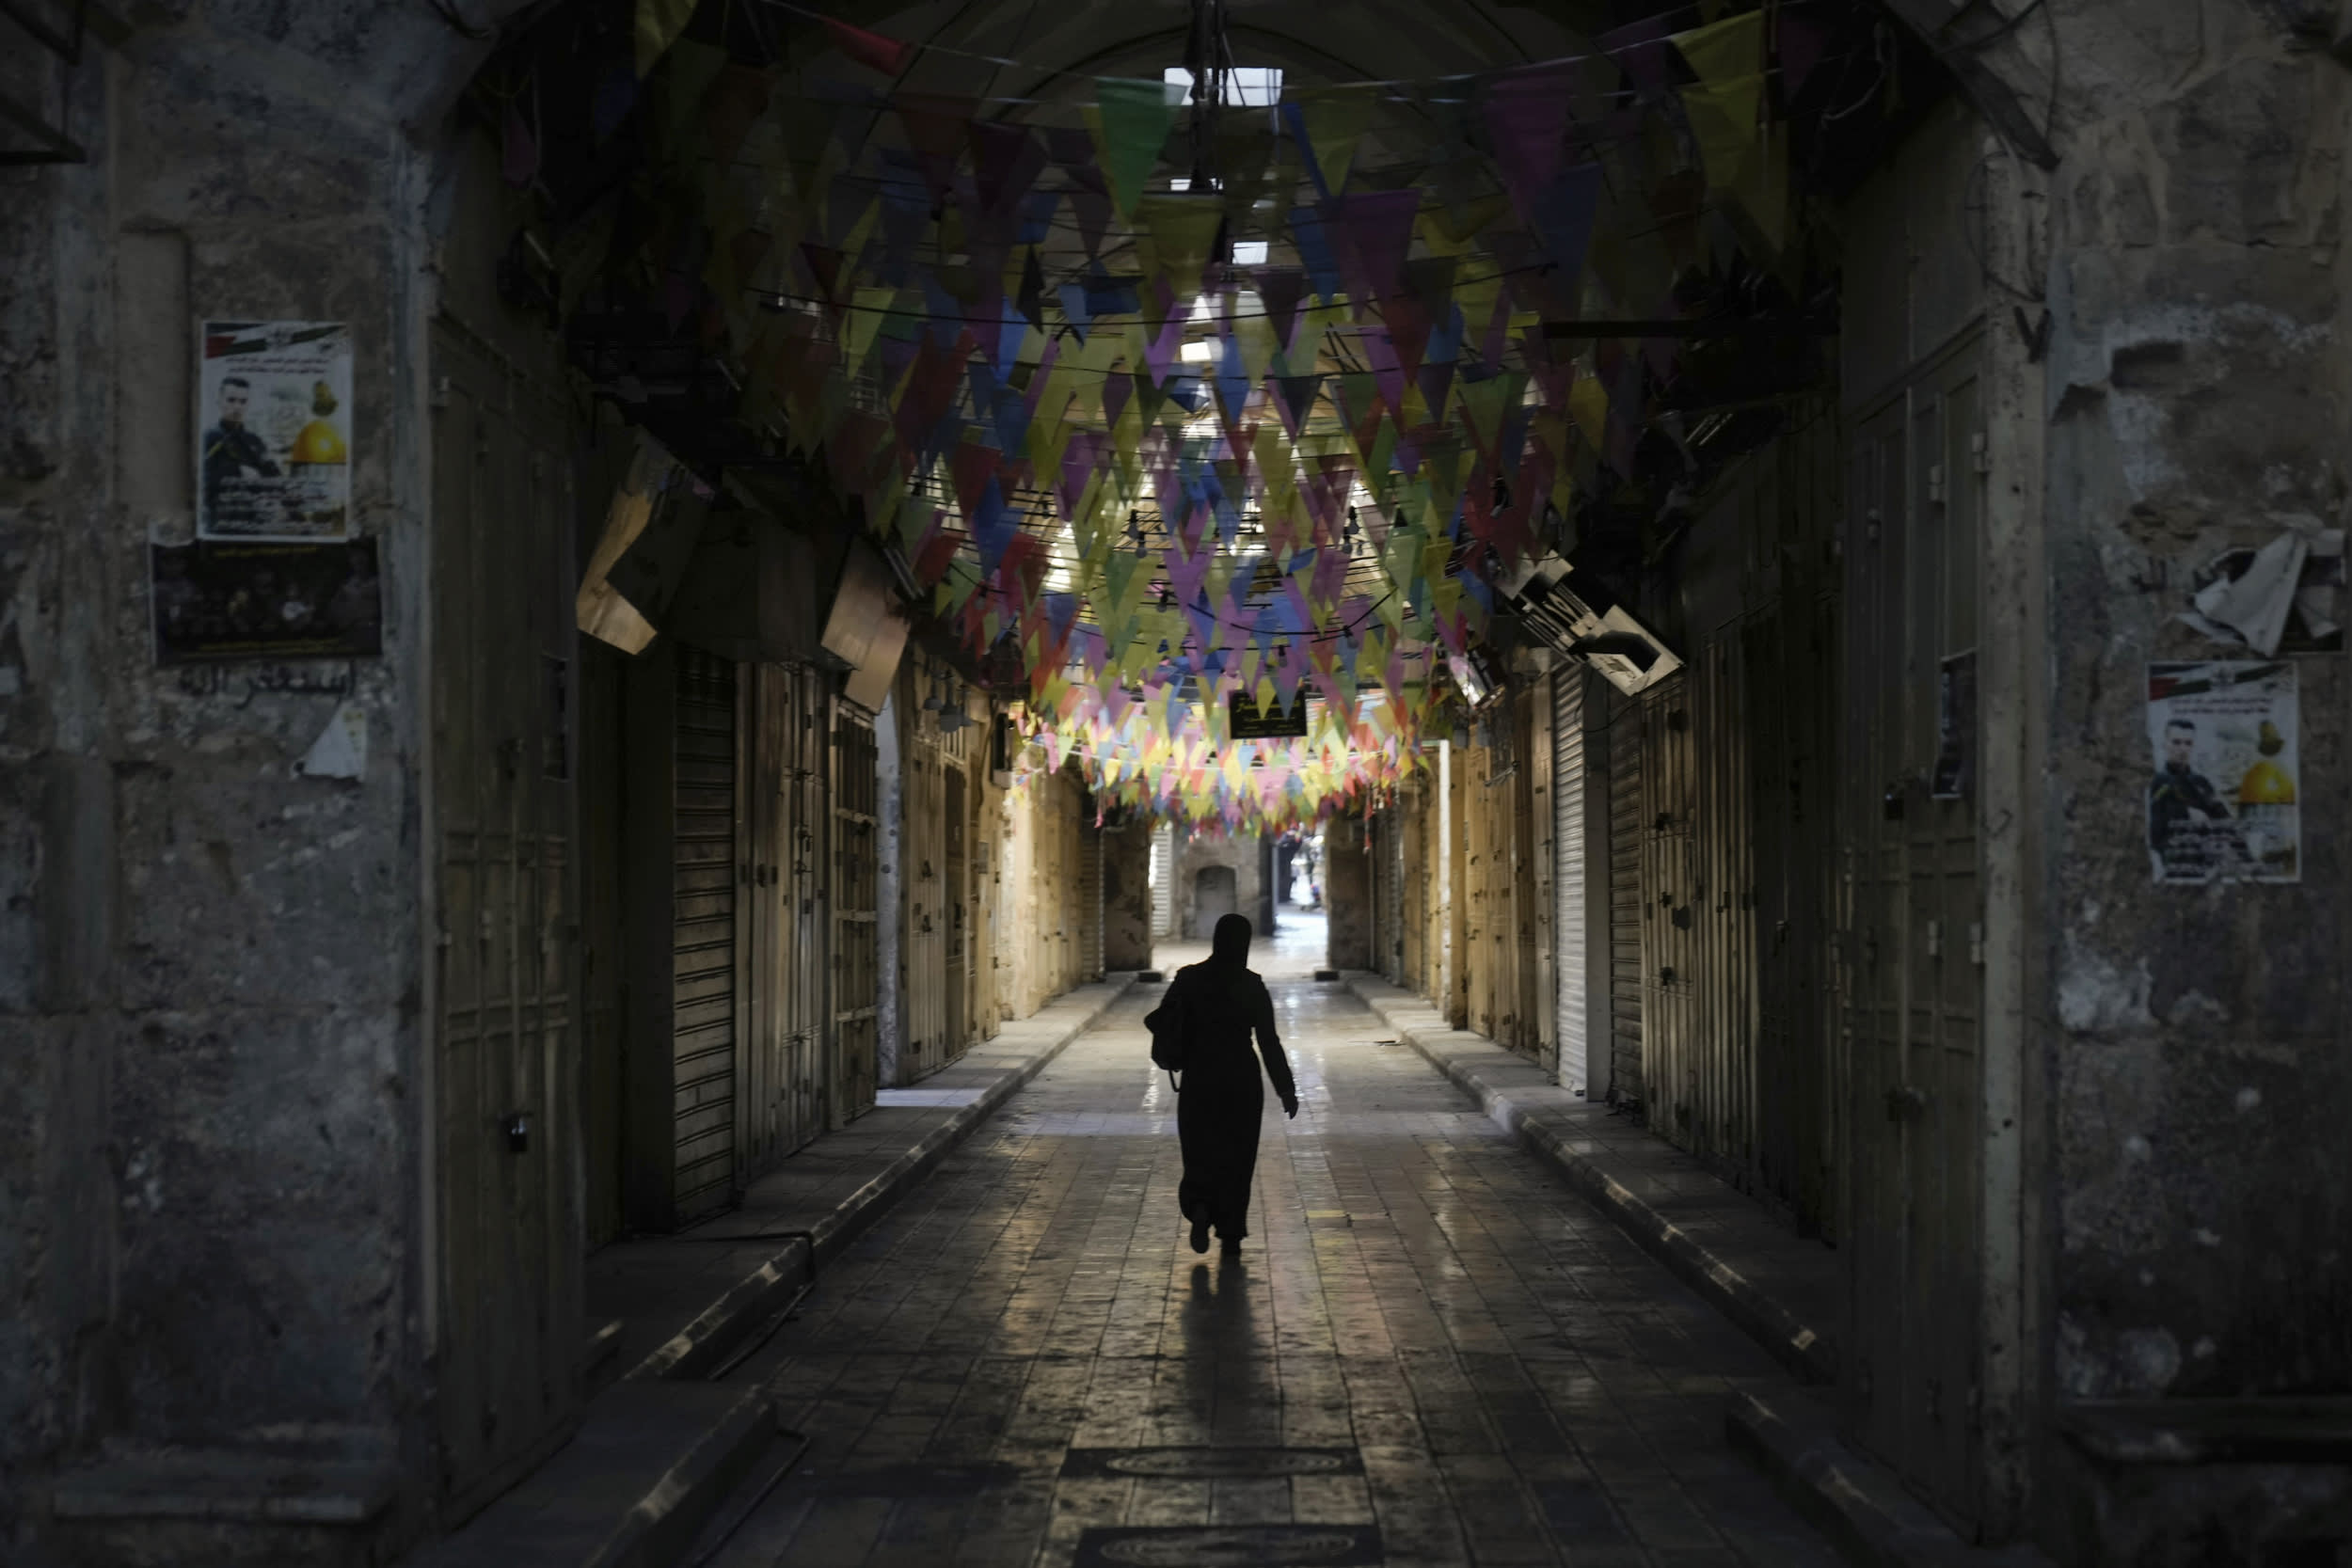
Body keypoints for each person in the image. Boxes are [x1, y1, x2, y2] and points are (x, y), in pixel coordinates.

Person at [1145, 913, 1298, 1258]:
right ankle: (1230, 1230)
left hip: (1200, 1077)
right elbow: (1269, 1042)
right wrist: (1286, 1089)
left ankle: (1200, 1206)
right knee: (1237, 1155)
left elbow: (1165, 1020)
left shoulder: (1188, 978)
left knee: (1200, 1149)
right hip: (1241, 1079)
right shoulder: (1251, 984)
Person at [2149, 717, 2234, 878]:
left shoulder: (2201, 783)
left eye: (2188, 744)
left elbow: (2223, 817)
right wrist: (2185, 813)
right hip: (2177, 866)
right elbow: (2155, 829)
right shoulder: (2158, 781)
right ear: (2165, 744)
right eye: (2176, 742)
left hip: (2208, 867)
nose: (2182, 749)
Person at [202, 375, 279, 531]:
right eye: (231, 400)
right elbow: (203, 479)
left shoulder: (254, 441)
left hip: (254, 523)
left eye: (243, 402)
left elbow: (274, 476)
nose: (237, 407)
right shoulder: (208, 438)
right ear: (219, 401)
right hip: (221, 523)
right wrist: (237, 471)